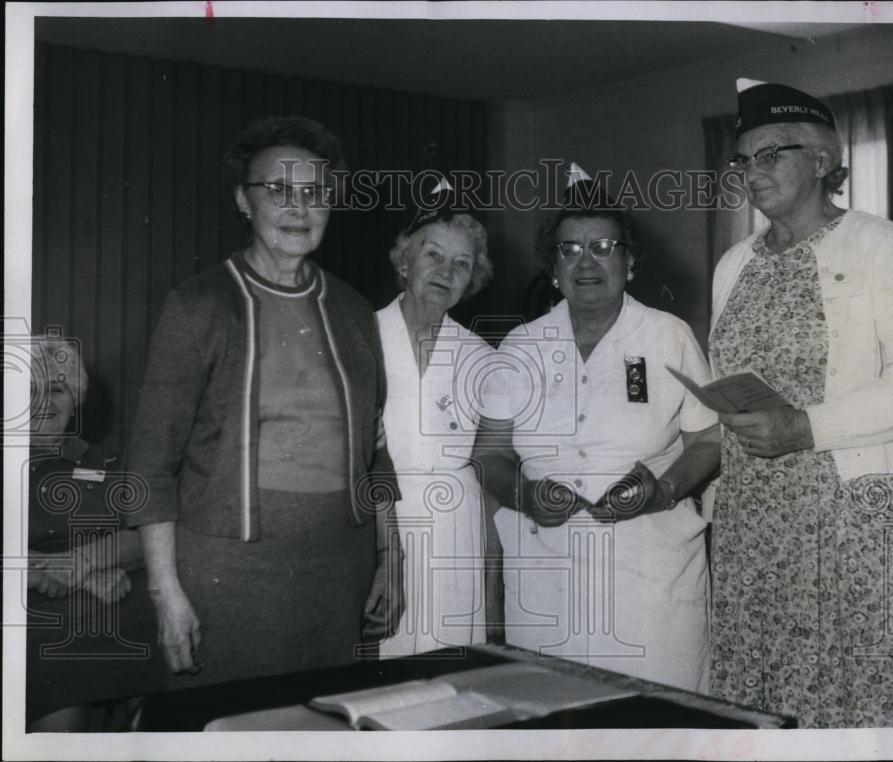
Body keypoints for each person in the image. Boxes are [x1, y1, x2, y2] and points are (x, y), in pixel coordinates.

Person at [126, 116, 401, 687]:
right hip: (228, 571)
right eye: (277, 189)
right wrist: (164, 590)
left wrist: (390, 558)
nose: (297, 207)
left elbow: (376, 457)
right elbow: (151, 463)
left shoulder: (353, 312)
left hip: (337, 567)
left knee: (327, 725)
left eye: (314, 192)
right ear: (242, 201)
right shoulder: (198, 305)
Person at [708, 79, 893, 727]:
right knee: (764, 703)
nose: (753, 173)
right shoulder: (734, 264)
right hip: (753, 525)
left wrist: (806, 427)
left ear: (821, 160)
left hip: (850, 519)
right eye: (743, 159)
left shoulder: (877, 243)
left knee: (849, 699)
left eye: (771, 154)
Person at [474, 166, 721, 691]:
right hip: (545, 572)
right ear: (554, 268)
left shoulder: (668, 335)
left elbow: (710, 437)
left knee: (659, 722)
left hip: (651, 573)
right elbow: (490, 454)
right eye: (569, 250)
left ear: (629, 263)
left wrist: (665, 490)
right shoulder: (521, 346)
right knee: (554, 720)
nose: (585, 262)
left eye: (603, 247)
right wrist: (523, 492)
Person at [375, 180, 495, 657]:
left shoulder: (482, 357)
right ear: (404, 261)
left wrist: (491, 573)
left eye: (461, 264)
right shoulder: (359, 336)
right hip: (381, 523)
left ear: (473, 280)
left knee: (451, 673)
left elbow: (491, 469)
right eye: (433, 255)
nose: (446, 271)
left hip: (454, 530)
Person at [25, 337, 161, 731]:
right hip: (39, 612)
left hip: (117, 602)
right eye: (31, 390)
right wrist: (77, 578)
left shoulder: (108, 461)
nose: (45, 401)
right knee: (53, 656)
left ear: (77, 399)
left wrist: (83, 562)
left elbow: (147, 535)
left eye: (57, 389)